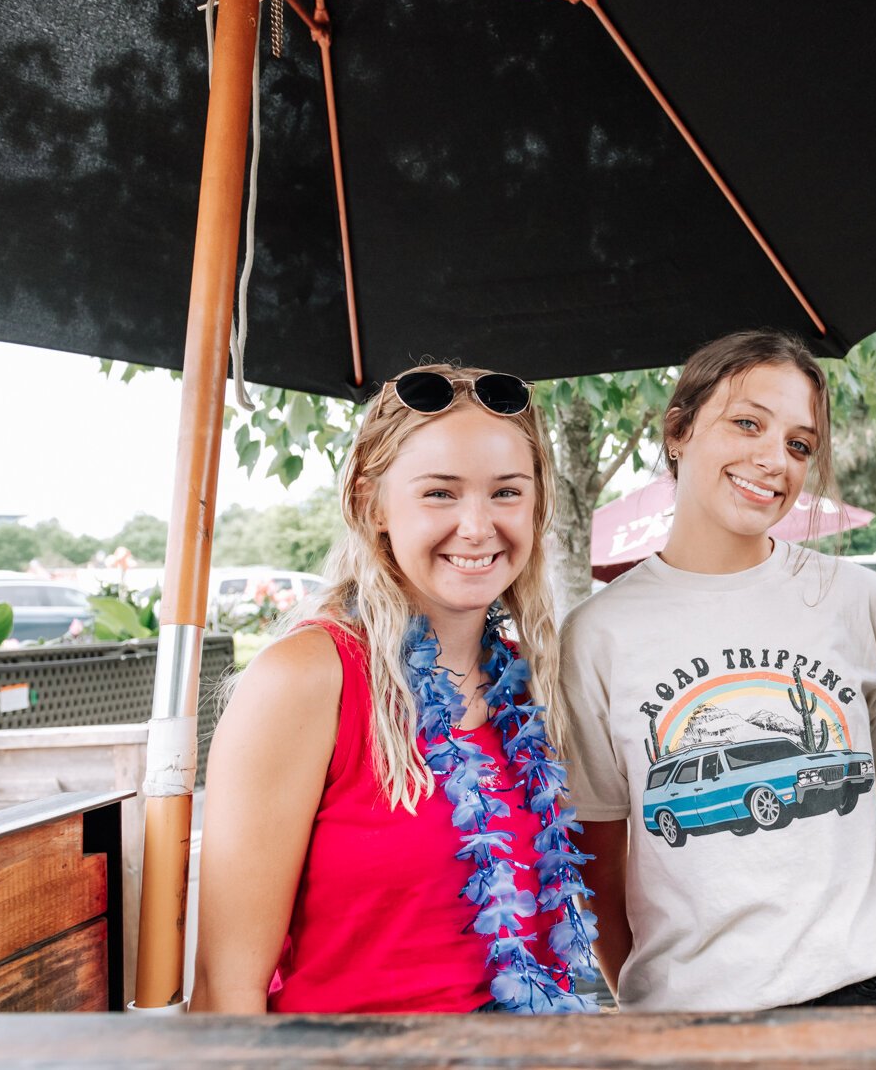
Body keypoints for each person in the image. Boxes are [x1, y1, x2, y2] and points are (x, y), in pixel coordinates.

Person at [191, 366, 597, 1014]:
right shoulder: (306, 679)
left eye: (505, 493)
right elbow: (225, 992)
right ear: (371, 501)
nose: (476, 525)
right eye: (440, 493)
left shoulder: (530, 683)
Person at [561, 329, 876, 1012]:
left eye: (800, 445)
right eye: (747, 424)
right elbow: (596, 857)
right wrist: (653, 1001)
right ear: (678, 431)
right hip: (698, 1019)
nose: (776, 461)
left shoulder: (858, 601)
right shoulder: (596, 635)